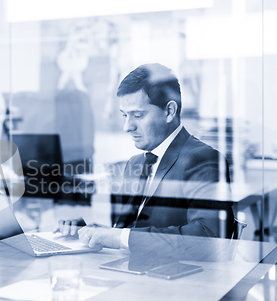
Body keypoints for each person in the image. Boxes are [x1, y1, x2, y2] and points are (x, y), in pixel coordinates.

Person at [59, 63, 234, 251]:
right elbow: (130, 233)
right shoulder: (136, 163)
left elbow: (208, 236)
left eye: (138, 115)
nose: (127, 126)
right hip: (135, 272)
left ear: (169, 111)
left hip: (176, 276)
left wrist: (120, 237)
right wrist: (91, 232)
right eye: (125, 115)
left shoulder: (203, 159)